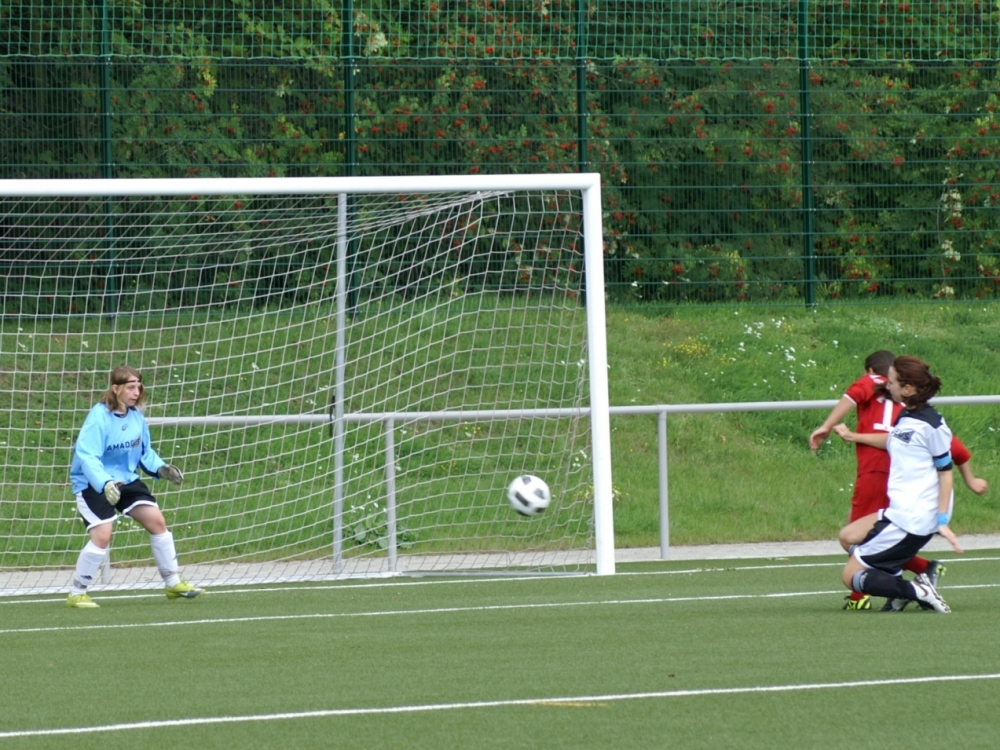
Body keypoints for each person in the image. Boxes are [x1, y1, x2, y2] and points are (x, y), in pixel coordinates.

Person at [810, 349, 987, 609]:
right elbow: (893, 440)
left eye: (891, 381)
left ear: (906, 389)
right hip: (900, 511)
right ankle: (908, 586)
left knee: (850, 577)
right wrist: (853, 436)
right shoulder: (908, 415)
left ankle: (914, 589)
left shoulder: (932, 425)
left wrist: (941, 521)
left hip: (914, 517)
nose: (886, 385)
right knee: (848, 536)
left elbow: (945, 472)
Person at [66, 365, 204, 608]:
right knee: (102, 535)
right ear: (115, 388)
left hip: (125, 479)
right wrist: (104, 483)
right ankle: (77, 592)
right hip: (93, 482)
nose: (136, 392)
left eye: (138, 386)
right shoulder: (98, 417)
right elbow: (87, 456)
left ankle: (173, 583)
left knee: (157, 522)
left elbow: (144, 452)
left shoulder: (136, 416)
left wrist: (162, 469)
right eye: (130, 387)